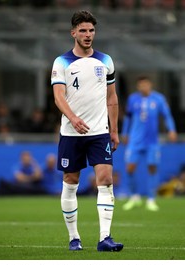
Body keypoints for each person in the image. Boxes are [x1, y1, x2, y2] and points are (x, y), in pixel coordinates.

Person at [51, 10, 123, 252]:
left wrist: (114, 130)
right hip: (72, 133)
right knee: (71, 182)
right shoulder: (61, 62)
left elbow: (111, 98)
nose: (88, 34)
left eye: (91, 30)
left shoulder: (106, 61)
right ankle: (74, 238)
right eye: (82, 30)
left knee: (105, 180)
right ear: (73, 33)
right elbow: (58, 97)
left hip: (99, 133)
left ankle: (105, 238)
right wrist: (73, 117)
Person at [121, 76, 177, 211]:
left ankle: (151, 199)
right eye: (141, 85)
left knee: (152, 167)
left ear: (150, 85)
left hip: (152, 141)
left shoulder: (158, 99)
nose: (144, 87)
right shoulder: (133, 99)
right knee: (130, 168)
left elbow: (167, 115)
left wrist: (172, 130)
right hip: (135, 140)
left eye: (146, 85)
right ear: (138, 86)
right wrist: (124, 133)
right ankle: (134, 197)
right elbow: (128, 118)